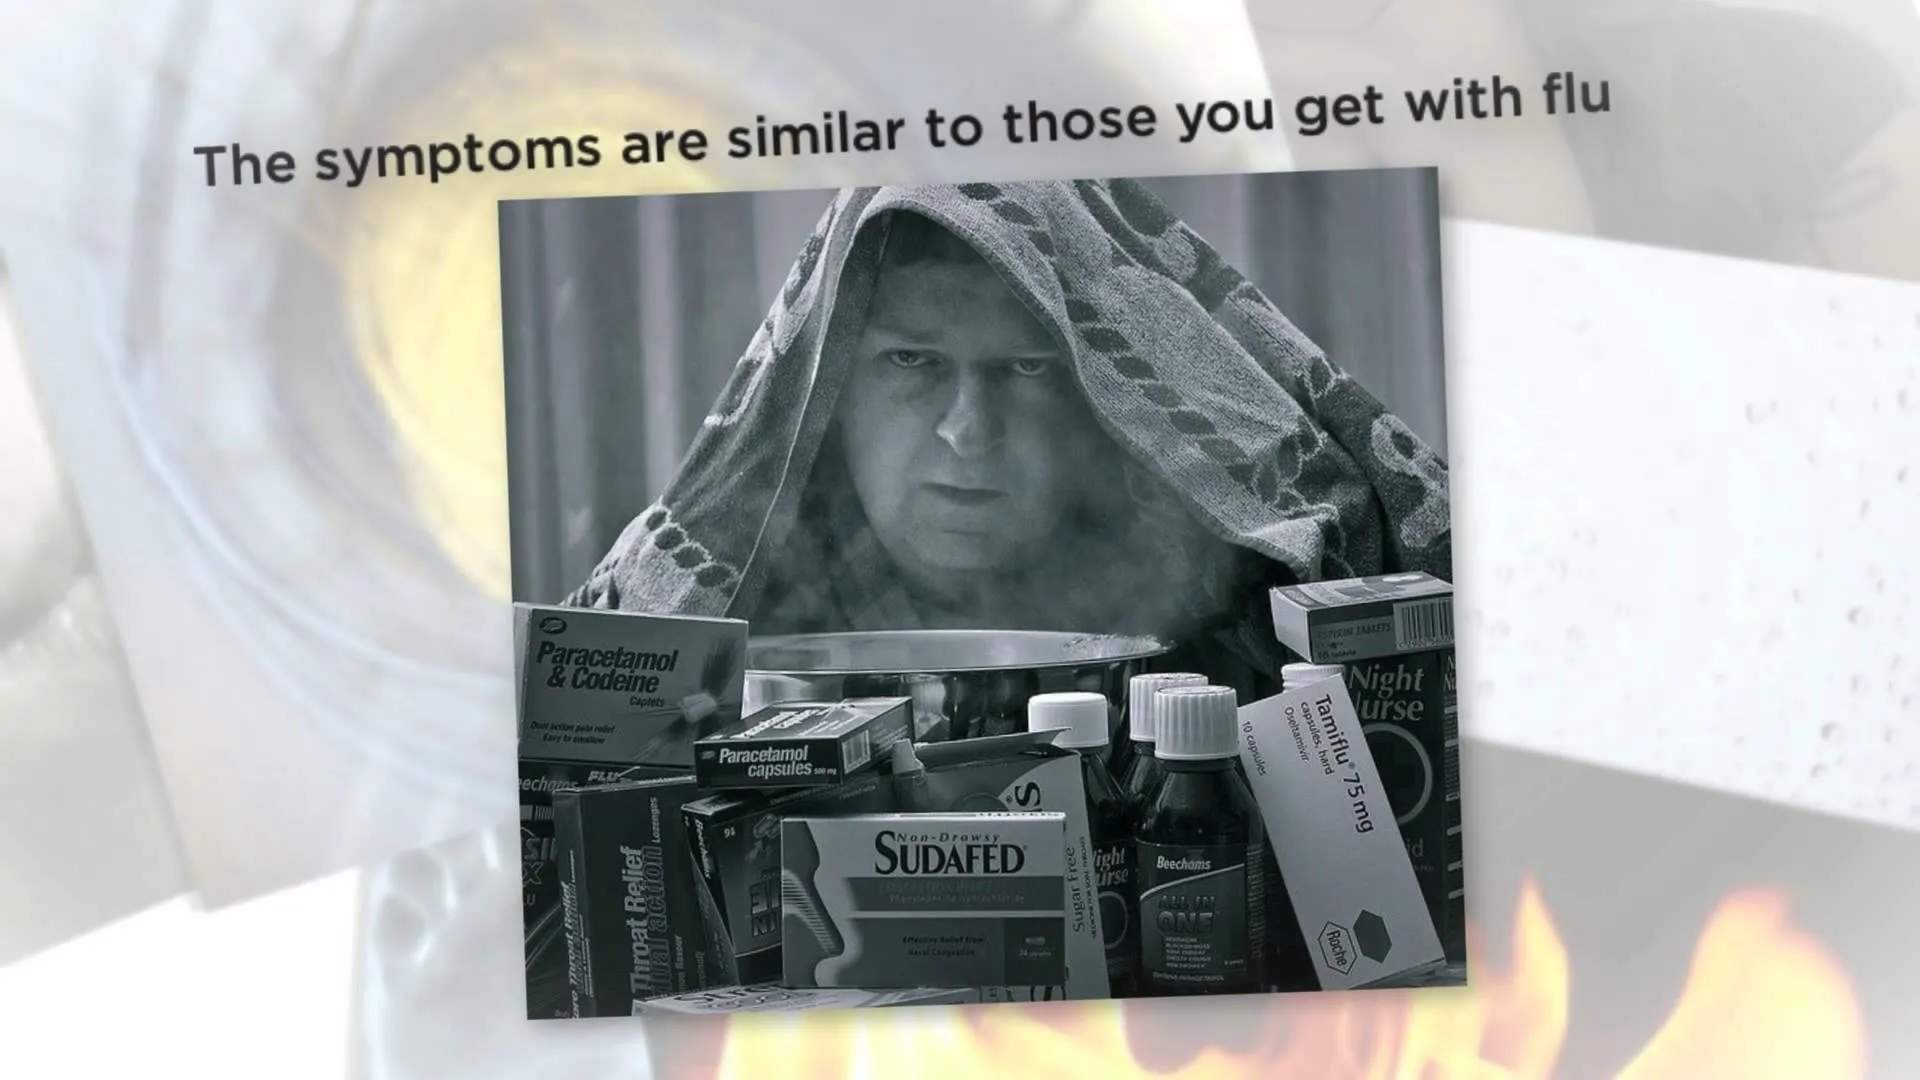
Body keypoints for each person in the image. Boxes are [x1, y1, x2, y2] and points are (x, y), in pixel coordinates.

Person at [562, 179, 1451, 701]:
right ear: (831, 394)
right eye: (912, 362)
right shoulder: (719, 633)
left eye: (1025, 372)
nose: (967, 432)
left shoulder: (1238, 630)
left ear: (1109, 400)